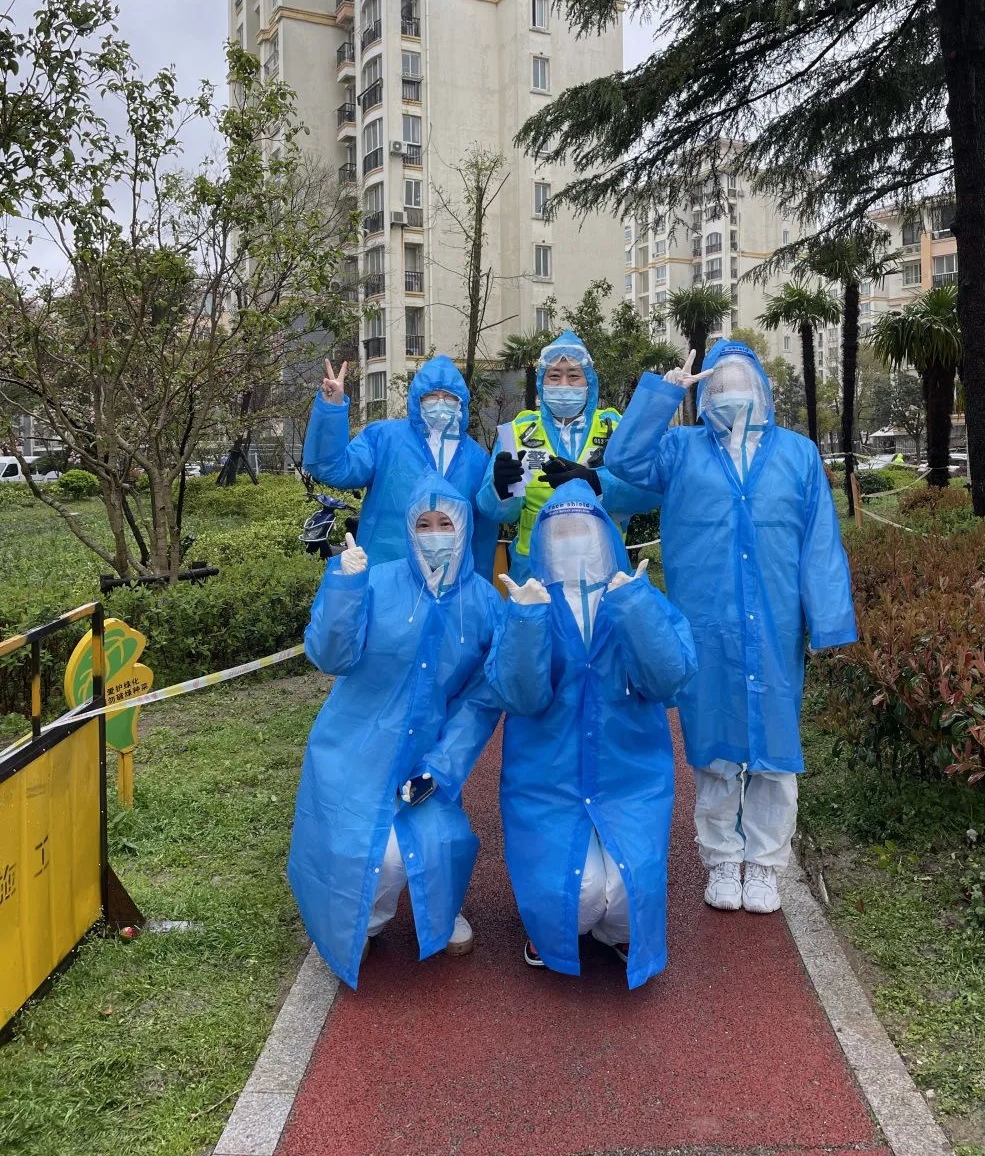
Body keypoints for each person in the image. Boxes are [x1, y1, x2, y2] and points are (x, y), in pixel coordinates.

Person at [604, 340, 857, 916]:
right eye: (717, 384)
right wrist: (664, 394)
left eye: (740, 380)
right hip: (706, 621)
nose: (729, 392)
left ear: (763, 388)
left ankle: (765, 862)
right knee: (712, 741)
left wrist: (828, 620)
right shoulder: (680, 448)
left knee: (775, 744)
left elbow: (820, 541)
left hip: (775, 623)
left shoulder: (798, 454)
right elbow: (624, 461)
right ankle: (721, 857)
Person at [287, 474, 504, 986]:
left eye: (445, 523)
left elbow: (480, 700)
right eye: (423, 524)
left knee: (442, 839)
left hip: (423, 756)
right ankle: (361, 921)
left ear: (463, 527)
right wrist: (344, 586)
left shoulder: (483, 602)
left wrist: (441, 768)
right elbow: (331, 657)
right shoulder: (376, 582)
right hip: (354, 747)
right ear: (408, 530)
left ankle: (439, 909)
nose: (435, 534)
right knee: (363, 849)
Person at [486, 479, 697, 990]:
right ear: (543, 542)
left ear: (605, 536)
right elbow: (519, 698)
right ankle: (553, 926)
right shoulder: (531, 600)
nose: (573, 541)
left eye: (584, 529)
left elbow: (669, 682)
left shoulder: (634, 594)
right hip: (548, 785)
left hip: (629, 780)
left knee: (624, 897)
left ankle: (612, 927)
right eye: (560, 533)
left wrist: (636, 609)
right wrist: (526, 622)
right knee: (576, 896)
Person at [477, 329, 657, 583]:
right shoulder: (517, 431)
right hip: (535, 570)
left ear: (589, 382)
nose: (563, 384)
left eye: (573, 376)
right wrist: (501, 489)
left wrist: (598, 483)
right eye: (554, 376)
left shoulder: (615, 428)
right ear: (541, 383)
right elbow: (495, 512)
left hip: (603, 565)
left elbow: (649, 492)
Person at [302, 353, 498, 577]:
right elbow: (331, 467)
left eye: (449, 397)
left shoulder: (477, 459)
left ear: (461, 402)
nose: (440, 402)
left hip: (451, 583)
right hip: (384, 575)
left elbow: (483, 532)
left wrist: (479, 585)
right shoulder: (383, 438)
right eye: (431, 396)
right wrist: (332, 409)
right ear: (417, 399)